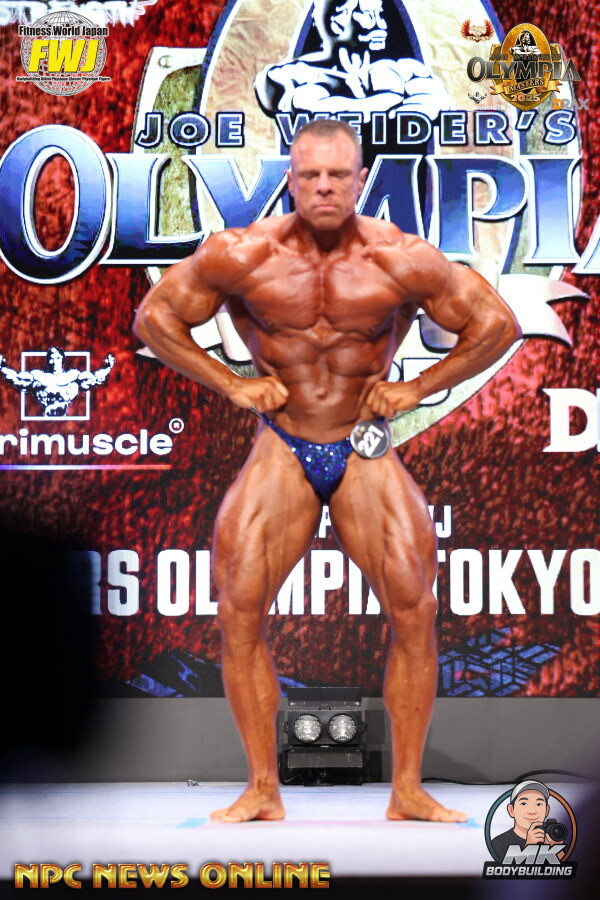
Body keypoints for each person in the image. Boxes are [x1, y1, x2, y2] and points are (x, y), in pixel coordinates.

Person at [133, 118, 520, 823]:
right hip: (282, 443)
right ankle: (262, 788)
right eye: (310, 174)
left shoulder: (400, 258)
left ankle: (407, 790)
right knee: (239, 608)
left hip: (362, 445)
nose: (323, 187)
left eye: (338, 175)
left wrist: (417, 387)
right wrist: (230, 384)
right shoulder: (243, 254)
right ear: (290, 178)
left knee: (415, 607)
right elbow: (155, 319)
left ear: (361, 180)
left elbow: (496, 325)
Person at [254, 0, 450, 122]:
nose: (381, 25)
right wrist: (391, 100)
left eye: (379, 15)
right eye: (369, 16)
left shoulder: (403, 72)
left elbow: (438, 108)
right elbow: (319, 113)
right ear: (338, 22)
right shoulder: (288, 77)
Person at [0, 347, 115, 417]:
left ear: (62, 360)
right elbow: (16, 378)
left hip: (67, 422)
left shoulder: (72, 376)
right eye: (51, 358)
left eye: (58, 358)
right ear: (48, 361)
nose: (54, 361)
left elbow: (95, 378)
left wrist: (108, 367)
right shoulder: (38, 376)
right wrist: (2, 366)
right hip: (43, 423)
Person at [491, 781, 565, 862]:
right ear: (511, 810)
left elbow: (566, 867)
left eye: (539, 804)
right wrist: (529, 847)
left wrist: (557, 849)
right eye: (523, 804)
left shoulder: (553, 837)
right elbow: (506, 869)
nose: (532, 811)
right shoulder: (499, 843)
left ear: (547, 811)